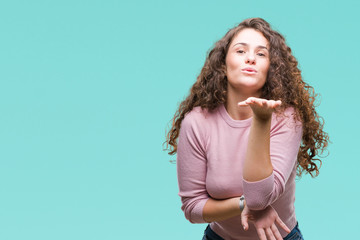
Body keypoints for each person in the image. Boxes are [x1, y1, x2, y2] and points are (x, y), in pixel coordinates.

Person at [164, 18, 329, 240]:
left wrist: (261, 121)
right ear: (223, 63)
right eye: (240, 51)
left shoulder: (286, 117)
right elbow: (193, 207)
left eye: (261, 54)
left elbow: (260, 198)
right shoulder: (196, 122)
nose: (250, 58)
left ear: (271, 68)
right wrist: (242, 205)